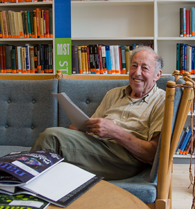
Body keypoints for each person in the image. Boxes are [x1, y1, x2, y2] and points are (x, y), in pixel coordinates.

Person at [31, 45, 165, 180]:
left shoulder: (162, 100)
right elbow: (91, 130)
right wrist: (80, 131)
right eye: (134, 66)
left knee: (51, 137)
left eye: (145, 68)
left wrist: (115, 131)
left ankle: (26, 188)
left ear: (157, 75)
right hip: (99, 149)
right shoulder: (113, 94)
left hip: (125, 159)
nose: (137, 73)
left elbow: (152, 155)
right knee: (56, 145)